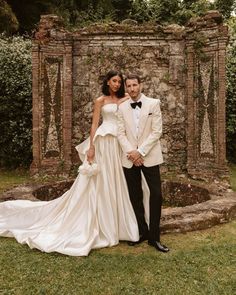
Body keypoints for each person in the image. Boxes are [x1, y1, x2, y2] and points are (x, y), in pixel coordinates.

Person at [0, 70, 139, 256]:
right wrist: (91, 147)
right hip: (103, 142)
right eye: (114, 81)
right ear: (107, 82)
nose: (117, 84)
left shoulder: (125, 99)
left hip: (117, 143)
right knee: (102, 180)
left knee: (116, 178)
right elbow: (94, 125)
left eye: (120, 82)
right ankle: (100, 221)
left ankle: (118, 223)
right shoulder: (101, 101)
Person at [117, 73, 169, 252]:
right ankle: (142, 232)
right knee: (135, 196)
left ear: (141, 85)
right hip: (129, 158)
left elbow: (157, 132)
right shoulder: (122, 107)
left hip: (150, 156)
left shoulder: (153, 104)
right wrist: (131, 153)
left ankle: (154, 238)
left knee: (156, 195)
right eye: (128, 86)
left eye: (134, 85)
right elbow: (120, 133)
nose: (131, 89)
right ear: (126, 87)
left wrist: (140, 152)